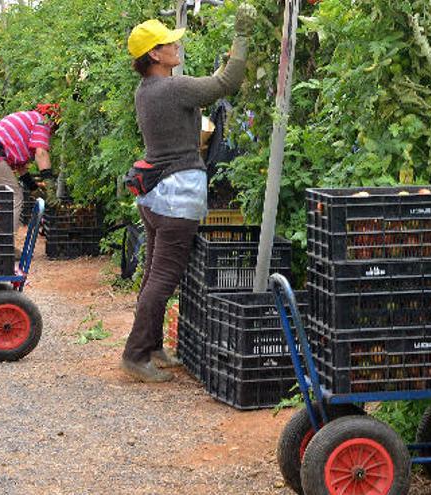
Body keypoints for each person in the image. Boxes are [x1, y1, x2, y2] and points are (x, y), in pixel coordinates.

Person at [120, 4, 258, 382]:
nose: (175, 47)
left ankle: (149, 346)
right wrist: (241, 38)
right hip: (176, 195)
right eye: (169, 44)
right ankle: (135, 354)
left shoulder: (147, 90)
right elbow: (224, 84)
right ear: (155, 54)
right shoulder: (173, 87)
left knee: (152, 275)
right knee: (163, 278)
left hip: (155, 195)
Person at [0, 105, 59, 237]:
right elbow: (41, 153)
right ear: (53, 120)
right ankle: (5, 243)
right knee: (13, 196)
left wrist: (34, 190)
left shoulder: (27, 120)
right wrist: (50, 187)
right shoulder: (42, 121)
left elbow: (21, 168)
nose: (52, 133)